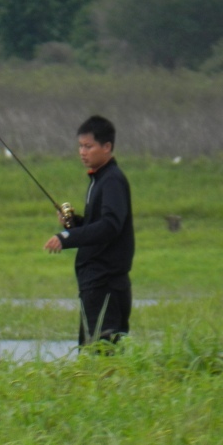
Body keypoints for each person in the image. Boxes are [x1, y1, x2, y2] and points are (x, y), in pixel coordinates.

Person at [44, 115, 134, 349]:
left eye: (88, 146)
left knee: (102, 354)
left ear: (107, 147)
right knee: (92, 352)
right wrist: (75, 223)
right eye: (80, 146)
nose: (83, 152)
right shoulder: (99, 179)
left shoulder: (112, 180)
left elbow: (110, 226)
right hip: (95, 283)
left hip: (106, 284)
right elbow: (99, 225)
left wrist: (66, 237)